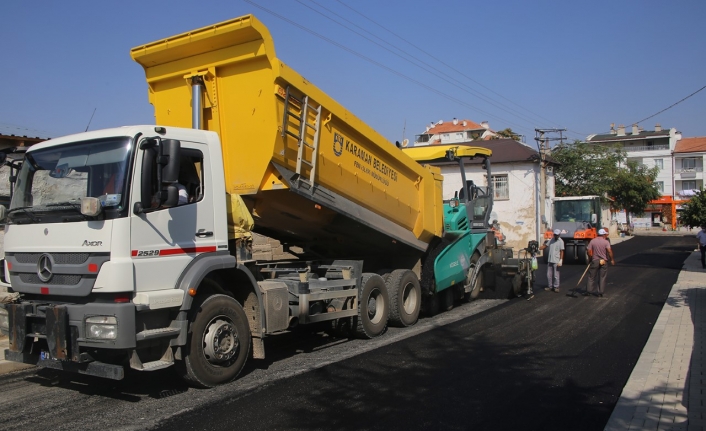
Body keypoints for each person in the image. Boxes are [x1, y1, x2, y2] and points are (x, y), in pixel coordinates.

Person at [584, 228, 615, 298]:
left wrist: (590, 258)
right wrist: (612, 259)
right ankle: (600, 292)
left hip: (595, 260)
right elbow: (609, 251)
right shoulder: (606, 242)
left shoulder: (592, 241)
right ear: (603, 234)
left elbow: (588, 251)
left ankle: (589, 291)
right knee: (602, 277)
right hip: (604, 261)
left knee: (591, 277)